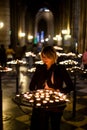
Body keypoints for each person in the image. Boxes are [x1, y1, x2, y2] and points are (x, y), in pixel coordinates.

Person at [29, 45, 74, 130]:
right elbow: (31, 86)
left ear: (53, 57)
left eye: (47, 57)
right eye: (43, 57)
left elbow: (70, 86)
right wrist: (38, 93)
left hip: (55, 103)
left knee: (55, 125)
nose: (44, 59)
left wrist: (58, 90)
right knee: (42, 125)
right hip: (42, 103)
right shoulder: (40, 68)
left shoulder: (60, 69)